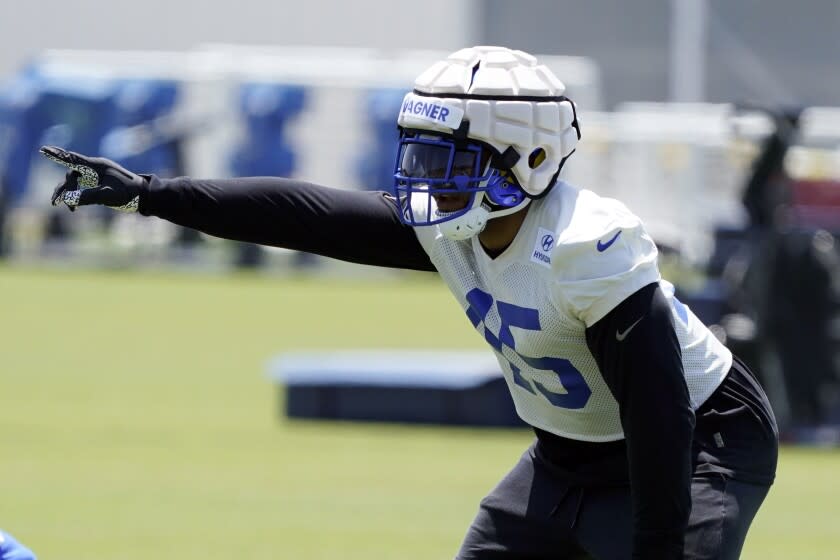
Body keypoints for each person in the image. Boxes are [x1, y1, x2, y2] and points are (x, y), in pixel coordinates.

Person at [42, 46, 778, 559]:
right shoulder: (458, 228)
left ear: (528, 157)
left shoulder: (588, 248)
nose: (425, 177)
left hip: (697, 447)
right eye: (419, 154)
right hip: (568, 451)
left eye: (447, 159)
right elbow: (307, 214)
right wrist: (150, 194)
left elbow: (658, 417)